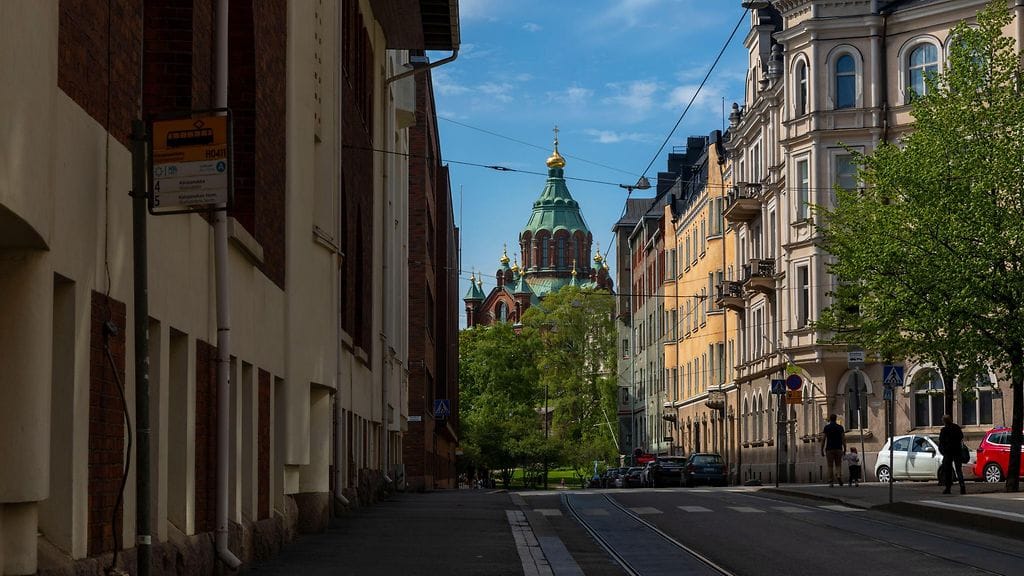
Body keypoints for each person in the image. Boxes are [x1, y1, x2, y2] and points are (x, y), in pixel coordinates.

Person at [938, 414, 967, 495]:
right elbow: (961, 436)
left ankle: (948, 488)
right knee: (958, 470)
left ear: (944, 421)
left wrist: (943, 450)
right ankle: (962, 487)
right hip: (957, 451)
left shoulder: (944, 430)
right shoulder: (956, 428)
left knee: (948, 470)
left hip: (948, 453)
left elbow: (941, 442)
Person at [820, 414, 847, 487]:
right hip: (838, 448)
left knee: (830, 465)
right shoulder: (840, 427)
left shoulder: (827, 428)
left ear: (830, 419)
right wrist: (845, 448)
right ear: (835, 419)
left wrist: (822, 449)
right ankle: (838, 475)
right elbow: (843, 439)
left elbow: (823, 439)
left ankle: (831, 481)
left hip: (829, 449)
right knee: (838, 464)